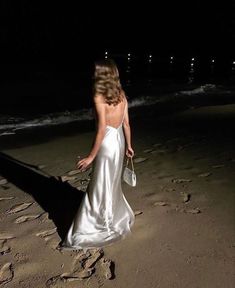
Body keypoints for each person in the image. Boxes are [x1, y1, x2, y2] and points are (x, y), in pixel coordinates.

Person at [60, 59, 135, 251]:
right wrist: (129, 145)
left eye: (94, 71)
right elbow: (126, 124)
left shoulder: (98, 97)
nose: (92, 74)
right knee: (110, 183)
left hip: (107, 144)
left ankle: (98, 225)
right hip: (118, 142)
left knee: (100, 183)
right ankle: (112, 218)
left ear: (101, 75)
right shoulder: (121, 95)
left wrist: (91, 156)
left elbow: (101, 129)